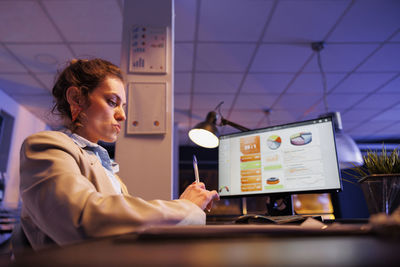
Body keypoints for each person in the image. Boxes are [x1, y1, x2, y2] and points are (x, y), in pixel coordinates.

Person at [19, 58, 219, 250]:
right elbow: (84, 219)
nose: (122, 115)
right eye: (112, 102)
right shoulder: (45, 146)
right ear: (76, 98)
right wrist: (185, 207)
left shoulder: (109, 171)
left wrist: (186, 205)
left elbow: (125, 230)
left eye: (123, 106)